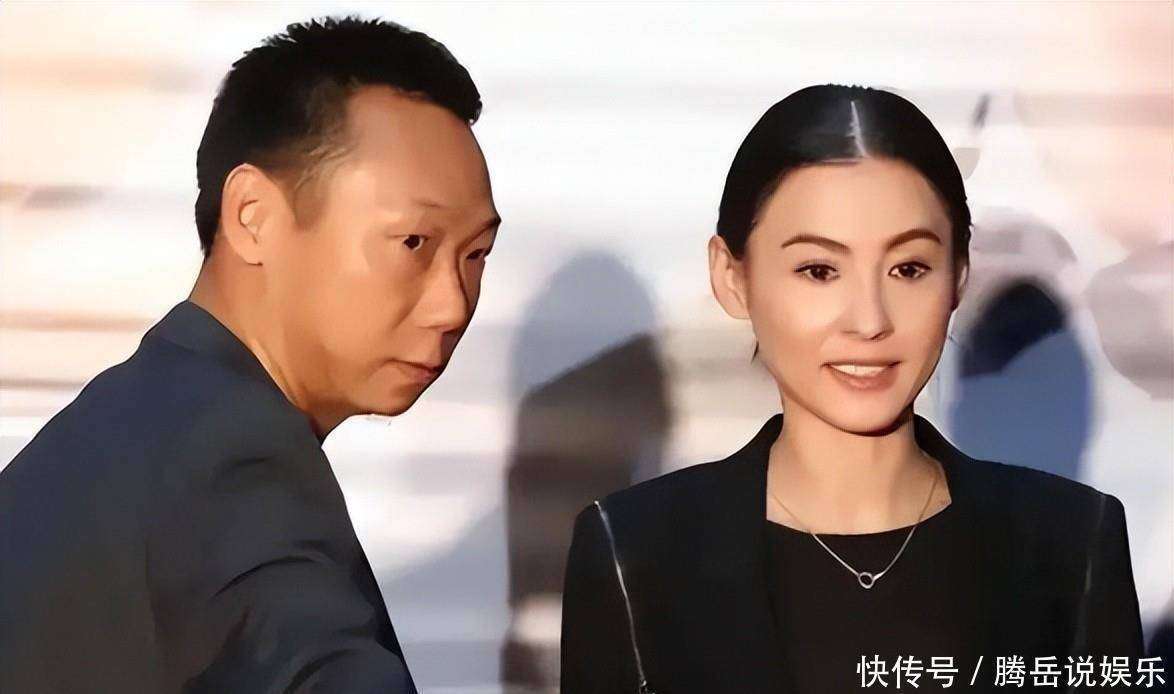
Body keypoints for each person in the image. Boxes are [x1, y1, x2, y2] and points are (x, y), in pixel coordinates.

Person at [559, 85, 1144, 693]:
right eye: (819, 270)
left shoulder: (1074, 544)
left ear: (958, 275)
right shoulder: (632, 553)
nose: (869, 321)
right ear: (731, 277)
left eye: (908, 269)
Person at [0, 16, 498, 693]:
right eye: (414, 242)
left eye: (476, 255)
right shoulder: (231, 460)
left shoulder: (124, 428)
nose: (453, 305)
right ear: (253, 215)